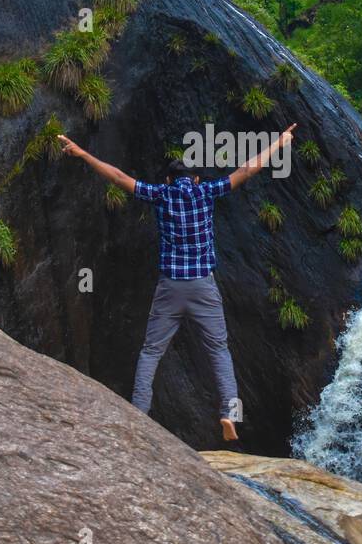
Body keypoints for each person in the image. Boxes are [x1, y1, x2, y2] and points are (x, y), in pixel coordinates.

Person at [56, 124, 296, 441]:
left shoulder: (161, 194)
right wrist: (280, 142)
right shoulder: (206, 191)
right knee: (219, 351)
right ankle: (229, 415)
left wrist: (83, 153)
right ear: (196, 179)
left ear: (168, 180)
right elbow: (249, 169)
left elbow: (117, 176)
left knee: (151, 351)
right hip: (203, 286)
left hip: (171, 287)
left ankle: (139, 413)